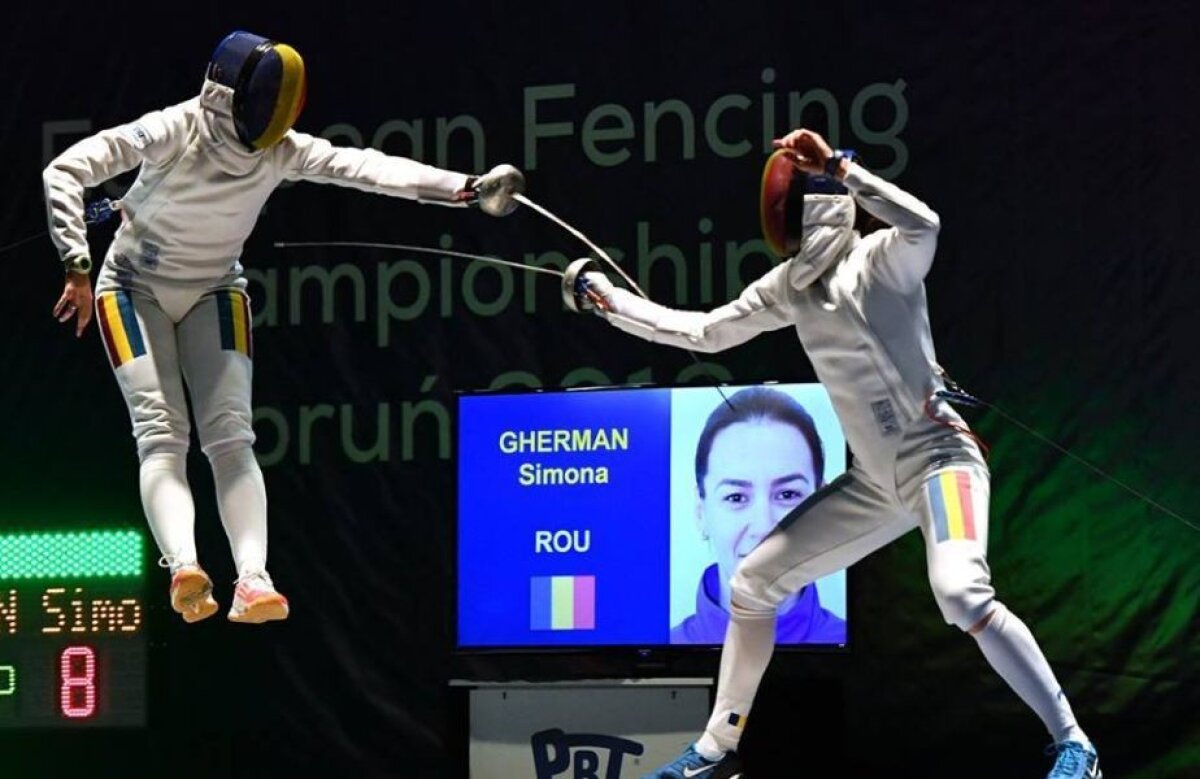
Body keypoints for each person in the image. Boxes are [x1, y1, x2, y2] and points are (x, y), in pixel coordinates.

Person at [571, 128, 1100, 779]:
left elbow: (926, 223)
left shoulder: (882, 259)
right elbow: (702, 332)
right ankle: (714, 750)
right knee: (753, 584)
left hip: (943, 461)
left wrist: (844, 168)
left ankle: (1075, 743)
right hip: (875, 485)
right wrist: (609, 301)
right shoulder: (788, 287)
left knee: (961, 592)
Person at [44, 31, 521, 625]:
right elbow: (66, 170)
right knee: (162, 434)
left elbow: (366, 167)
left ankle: (252, 580)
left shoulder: (281, 150)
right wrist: (77, 263)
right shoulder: (174, 127)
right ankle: (185, 566)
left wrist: (465, 189)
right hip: (130, 289)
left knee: (231, 437)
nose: (279, 114)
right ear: (235, 96)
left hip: (215, 290)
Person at [672, 386, 844, 645]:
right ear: (701, 511)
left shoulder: (868, 653)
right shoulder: (666, 645)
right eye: (736, 498)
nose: (764, 528)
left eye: (787, 494)